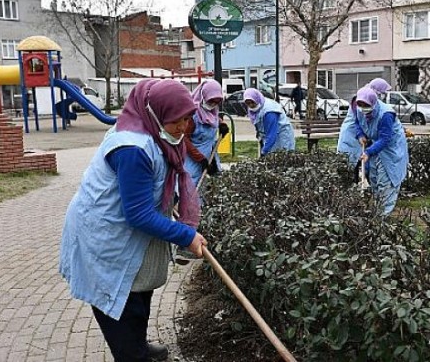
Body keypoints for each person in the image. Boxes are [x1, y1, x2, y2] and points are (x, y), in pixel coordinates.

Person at [59, 79, 208, 362]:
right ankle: (132, 352)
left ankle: (137, 343)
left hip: (124, 233)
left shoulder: (157, 134)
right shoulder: (133, 148)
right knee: (121, 303)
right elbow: (138, 214)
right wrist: (186, 236)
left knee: (139, 294)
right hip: (104, 238)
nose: (183, 127)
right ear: (155, 113)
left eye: (187, 118)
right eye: (177, 120)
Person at [351, 86, 409, 216]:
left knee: (386, 182)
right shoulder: (360, 110)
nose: (361, 108)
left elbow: (385, 139)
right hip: (375, 147)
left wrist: (368, 152)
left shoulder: (386, 114)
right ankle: (378, 211)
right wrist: (360, 134)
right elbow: (357, 122)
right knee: (374, 178)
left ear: (372, 102)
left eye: (364, 105)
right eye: (359, 105)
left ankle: (384, 217)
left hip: (390, 149)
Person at [184, 80, 230, 189]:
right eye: (211, 101)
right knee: (193, 191)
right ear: (203, 96)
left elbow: (211, 118)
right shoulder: (192, 114)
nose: (213, 104)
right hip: (193, 161)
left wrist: (221, 123)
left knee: (211, 189)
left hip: (210, 155)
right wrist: (200, 158)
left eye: (217, 102)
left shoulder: (212, 111)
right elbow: (184, 140)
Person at [243, 88, 295, 157]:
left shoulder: (269, 112)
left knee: (281, 158)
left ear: (256, 99)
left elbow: (272, 133)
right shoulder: (257, 107)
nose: (251, 105)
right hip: (269, 137)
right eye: (248, 103)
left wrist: (264, 151)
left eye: (252, 102)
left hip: (281, 137)